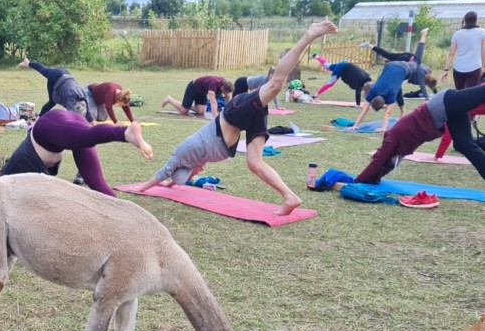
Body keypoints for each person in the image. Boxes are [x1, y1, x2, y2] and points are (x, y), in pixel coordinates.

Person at [138, 19, 340, 216]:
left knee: (276, 84)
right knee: (254, 163)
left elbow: (165, 170)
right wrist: (171, 183)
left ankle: (309, 34)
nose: (198, 172)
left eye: (192, 173)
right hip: (244, 121)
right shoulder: (194, 160)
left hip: (234, 112)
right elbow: (176, 175)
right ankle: (290, 197)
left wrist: (143, 188)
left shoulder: (181, 155)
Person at [0, 110, 153, 197]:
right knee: (97, 184)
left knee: (85, 136)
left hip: (48, 127)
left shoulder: (6, 175)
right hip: (70, 124)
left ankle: (126, 132)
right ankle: (127, 218)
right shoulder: (17, 177)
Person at [353, 84, 485, 183]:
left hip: (443, 102)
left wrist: (356, 181)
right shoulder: (398, 152)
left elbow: (377, 162)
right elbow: (382, 167)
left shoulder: (390, 140)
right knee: (464, 145)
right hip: (447, 113)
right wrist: (374, 178)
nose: (397, 163)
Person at [350, 54, 438, 132]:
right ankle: (403, 111)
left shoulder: (390, 95)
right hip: (390, 65)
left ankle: (422, 40)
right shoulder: (373, 91)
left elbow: (383, 112)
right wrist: (356, 125)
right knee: (397, 86)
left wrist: (383, 128)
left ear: (384, 102)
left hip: (404, 68)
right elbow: (368, 110)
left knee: (416, 62)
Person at [359, 27, 436, 99]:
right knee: (394, 78)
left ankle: (370, 46)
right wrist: (427, 98)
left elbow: (432, 84)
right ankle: (373, 91)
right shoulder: (421, 76)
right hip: (405, 61)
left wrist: (436, 93)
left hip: (409, 56)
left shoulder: (428, 71)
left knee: (388, 55)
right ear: (426, 81)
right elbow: (423, 87)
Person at [18, 58, 93, 122]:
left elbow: (88, 114)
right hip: (56, 77)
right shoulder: (71, 100)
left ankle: (27, 63)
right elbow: (71, 119)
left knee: (45, 70)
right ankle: (39, 119)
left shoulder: (84, 95)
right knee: (52, 102)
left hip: (64, 73)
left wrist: (92, 123)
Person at [442, 11, 485, 90]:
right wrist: (482, 66)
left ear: (465, 20)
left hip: (458, 69)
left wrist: (446, 69)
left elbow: (451, 53)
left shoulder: (457, 34)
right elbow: (483, 52)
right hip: (474, 68)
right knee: (471, 94)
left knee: (459, 94)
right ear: (476, 20)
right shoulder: (482, 32)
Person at [161, 75, 233, 118]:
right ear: (222, 88)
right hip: (193, 88)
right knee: (184, 111)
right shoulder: (213, 85)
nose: (225, 94)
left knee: (201, 112)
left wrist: (230, 111)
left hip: (202, 92)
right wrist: (216, 117)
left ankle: (187, 106)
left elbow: (228, 98)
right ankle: (169, 99)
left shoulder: (226, 85)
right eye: (225, 92)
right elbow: (213, 102)